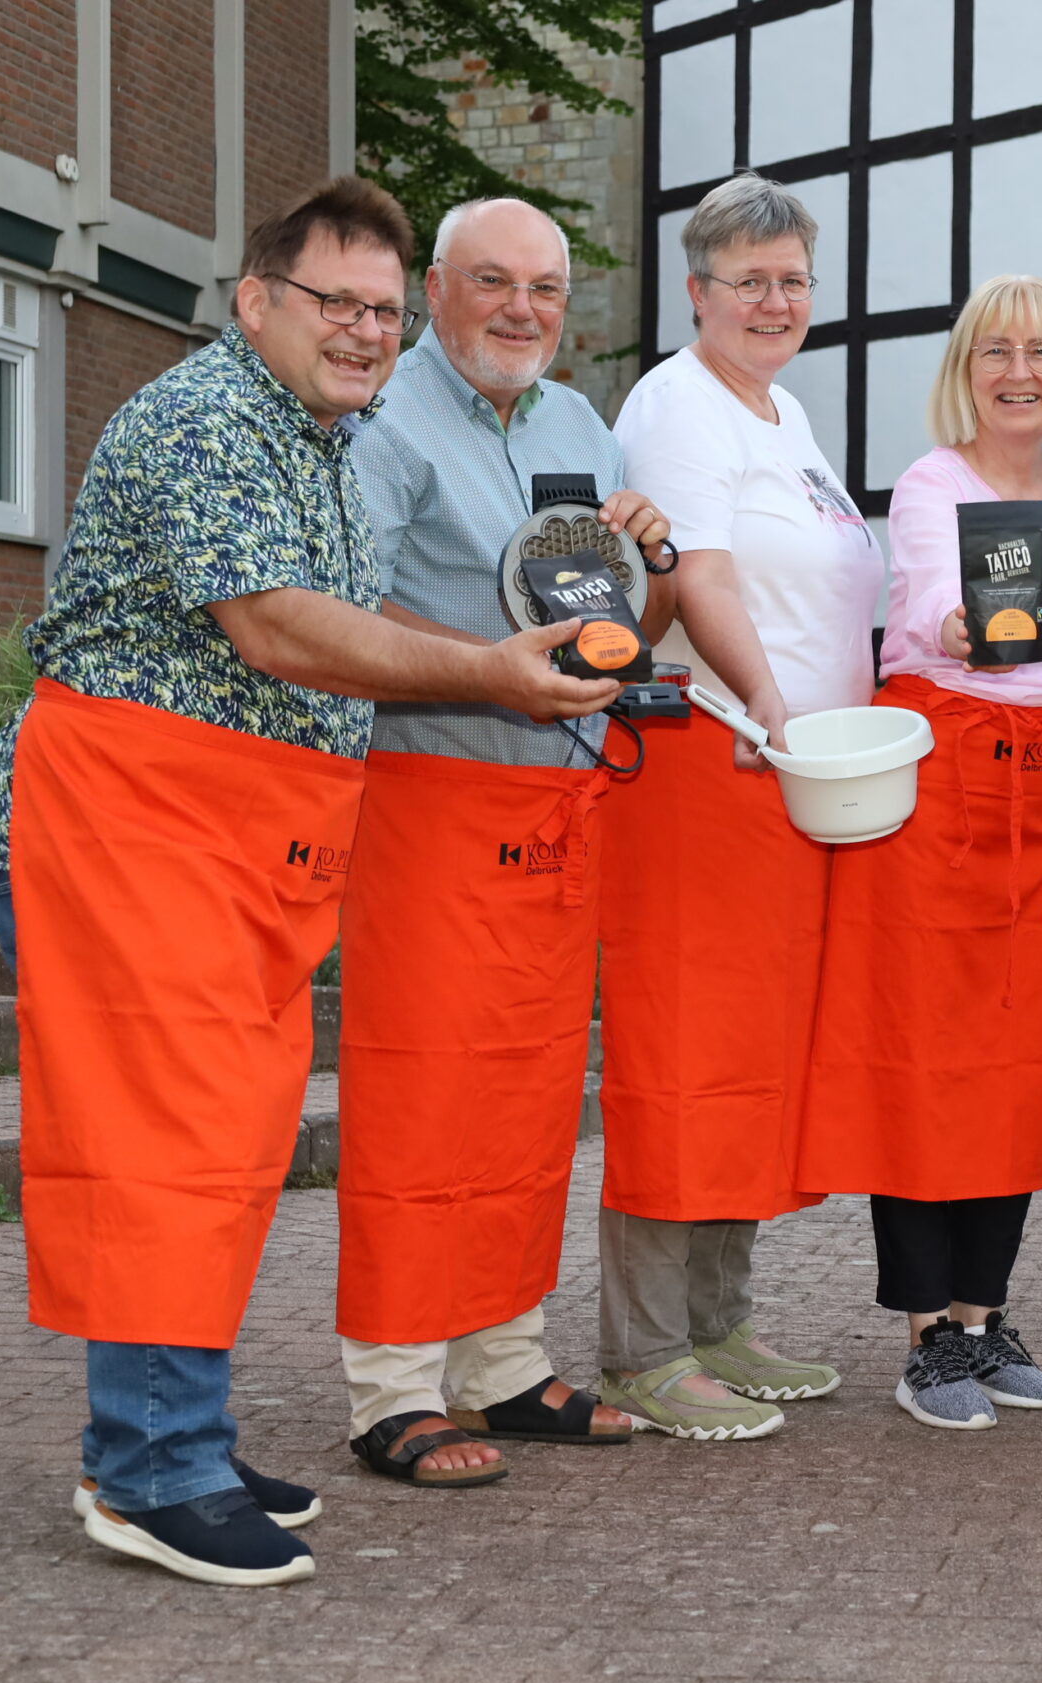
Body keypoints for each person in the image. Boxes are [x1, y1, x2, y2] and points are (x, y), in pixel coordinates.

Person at [0, 179, 617, 1585]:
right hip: (127, 824)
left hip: (225, 836)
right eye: (339, 303)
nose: (367, 331)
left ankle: (163, 1430)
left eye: (381, 311)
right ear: (256, 301)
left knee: (224, 1140)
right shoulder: (207, 417)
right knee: (165, 1140)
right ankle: (155, 1469)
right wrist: (490, 674)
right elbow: (275, 625)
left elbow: (353, 611)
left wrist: (524, 643)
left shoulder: (326, 435)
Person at [336, 197, 675, 1486]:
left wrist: (647, 553)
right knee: (425, 1095)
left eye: (543, 288)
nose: (521, 309)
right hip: (430, 794)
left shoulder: (578, 423)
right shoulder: (381, 419)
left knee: (530, 1096)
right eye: (492, 282)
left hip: (560, 805)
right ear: (436, 290)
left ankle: (502, 1365)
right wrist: (494, 671)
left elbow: (610, 615)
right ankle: (393, 1385)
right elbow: (347, 611)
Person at [796, 276, 1042, 1429]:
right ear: (965, 372)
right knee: (922, 1059)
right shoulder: (936, 483)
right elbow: (933, 604)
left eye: (1041, 352)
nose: (1018, 372)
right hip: (941, 782)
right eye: (995, 351)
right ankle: (925, 1335)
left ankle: (985, 1320)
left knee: (1015, 1064)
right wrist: (971, 624)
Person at [596, 174, 871, 1437]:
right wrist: (768, 704)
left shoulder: (784, 410)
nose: (775, 301)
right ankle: (645, 1349)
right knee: (683, 1055)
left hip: (788, 781)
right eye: (749, 280)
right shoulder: (677, 404)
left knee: (753, 1056)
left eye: (793, 280)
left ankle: (718, 1320)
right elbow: (695, 576)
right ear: (696, 290)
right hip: (712, 765)